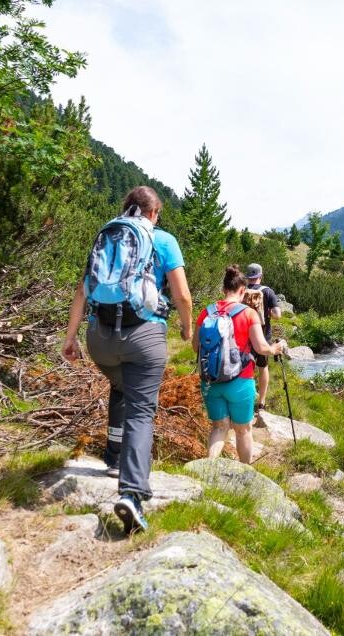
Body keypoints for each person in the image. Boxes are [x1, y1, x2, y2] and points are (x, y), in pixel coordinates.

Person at [62, 186, 192, 535]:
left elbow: (82, 288)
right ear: (153, 213)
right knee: (141, 408)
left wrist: (71, 337)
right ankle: (132, 494)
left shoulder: (107, 234)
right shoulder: (162, 240)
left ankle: (114, 456)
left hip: (99, 338)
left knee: (121, 383)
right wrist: (186, 328)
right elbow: (181, 294)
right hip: (143, 336)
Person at [193, 265, 286, 464]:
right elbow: (261, 347)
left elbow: (195, 347)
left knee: (219, 427)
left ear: (223, 289)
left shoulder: (206, 312)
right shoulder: (248, 313)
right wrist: (276, 348)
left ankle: (207, 470)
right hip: (240, 381)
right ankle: (246, 475)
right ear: (243, 291)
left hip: (210, 380)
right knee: (243, 430)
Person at [245, 263, 281, 410]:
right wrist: (269, 313)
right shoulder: (268, 291)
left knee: (245, 368)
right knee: (262, 367)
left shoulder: (241, 290)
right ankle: (262, 402)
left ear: (247, 276)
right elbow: (278, 315)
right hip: (263, 336)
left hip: (244, 336)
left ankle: (245, 400)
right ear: (260, 275)